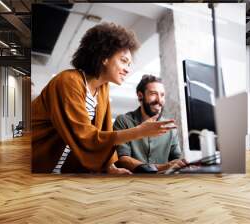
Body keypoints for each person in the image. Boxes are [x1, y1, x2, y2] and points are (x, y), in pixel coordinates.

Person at [31, 22, 176, 174]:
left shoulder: (102, 88)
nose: (128, 69)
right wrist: (139, 131)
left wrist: (111, 168)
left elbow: (104, 129)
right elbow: (85, 137)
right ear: (104, 57)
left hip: (60, 170)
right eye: (123, 61)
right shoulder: (68, 81)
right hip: (35, 163)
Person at [114, 75, 187, 173]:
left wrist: (182, 164)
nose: (159, 100)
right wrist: (163, 167)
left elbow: (176, 159)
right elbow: (122, 159)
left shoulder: (170, 128)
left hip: (163, 185)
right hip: (131, 184)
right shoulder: (123, 121)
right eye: (153, 94)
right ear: (140, 96)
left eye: (162, 95)